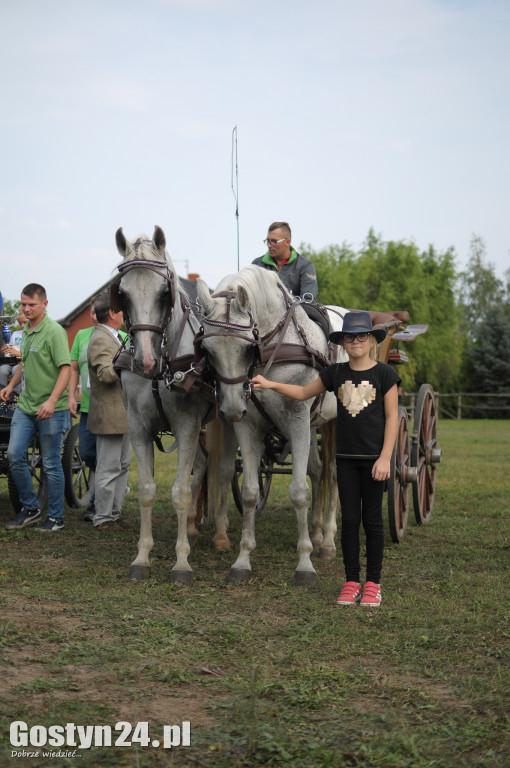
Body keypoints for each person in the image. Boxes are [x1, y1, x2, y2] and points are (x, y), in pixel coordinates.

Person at [252, 310, 400, 607]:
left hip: (373, 461)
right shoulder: (336, 373)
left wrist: (385, 459)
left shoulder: (385, 375)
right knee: (349, 522)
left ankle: (373, 583)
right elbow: (305, 391)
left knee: (372, 522)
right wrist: (271, 385)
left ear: (371, 340)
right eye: (350, 337)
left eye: (361, 336)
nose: (355, 341)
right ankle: (351, 581)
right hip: (344, 460)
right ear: (343, 342)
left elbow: (392, 417)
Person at [1, 284, 71, 531]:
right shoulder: (28, 330)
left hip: (52, 409)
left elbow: (66, 368)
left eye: (32, 304)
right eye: (23, 304)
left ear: (44, 304)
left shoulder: (54, 332)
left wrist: (52, 401)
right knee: (14, 455)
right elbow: (25, 362)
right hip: (26, 406)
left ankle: (55, 517)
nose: (26, 309)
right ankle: (30, 508)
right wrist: (11, 386)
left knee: (51, 463)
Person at [87, 293, 131, 529]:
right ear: (112, 313)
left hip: (122, 414)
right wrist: (129, 361)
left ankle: (113, 514)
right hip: (110, 416)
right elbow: (105, 374)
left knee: (122, 466)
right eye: (121, 309)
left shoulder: (113, 336)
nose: (125, 312)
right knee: (108, 467)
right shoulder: (101, 339)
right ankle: (103, 517)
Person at [68, 300, 99, 522]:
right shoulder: (81, 335)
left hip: (109, 408)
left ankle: (97, 502)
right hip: (87, 406)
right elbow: (73, 368)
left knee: (106, 457)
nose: (95, 316)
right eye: (92, 313)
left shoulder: (122, 336)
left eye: (99, 312)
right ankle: (112, 483)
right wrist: (71, 396)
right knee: (87, 453)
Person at [252, 221, 318, 299]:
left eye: (274, 241)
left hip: (296, 311)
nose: (269, 245)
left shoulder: (305, 265)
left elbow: (308, 300)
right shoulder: (257, 265)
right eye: (268, 241)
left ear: (287, 242)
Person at [0, 309, 27, 394]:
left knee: (16, 370)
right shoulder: (15, 333)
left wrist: (19, 354)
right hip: (12, 361)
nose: (22, 326)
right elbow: (10, 350)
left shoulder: (33, 334)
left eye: (25, 322)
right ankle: (3, 393)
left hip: (23, 363)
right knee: (2, 370)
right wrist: (4, 351)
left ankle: (16, 395)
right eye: (20, 323)